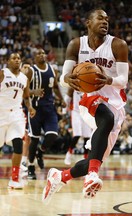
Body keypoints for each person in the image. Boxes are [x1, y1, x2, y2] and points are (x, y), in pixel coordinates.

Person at [42, 8, 128, 204]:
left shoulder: (118, 45)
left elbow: (123, 80)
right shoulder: (75, 45)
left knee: (94, 160)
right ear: (88, 23)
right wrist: (68, 79)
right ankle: (91, 177)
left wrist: (108, 80)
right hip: (88, 99)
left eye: (107, 19)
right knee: (106, 118)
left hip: (115, 103)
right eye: (100, 18)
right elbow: (64, 78)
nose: (105, 21)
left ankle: (59, 177)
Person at [26, 48, 66, 179]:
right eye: (39, 53)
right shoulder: (31, 71)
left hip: (49, 109)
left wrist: (61, 99)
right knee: (34, 139)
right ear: (34, 57)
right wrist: (33, 92)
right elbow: (23, 90)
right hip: (35, 110)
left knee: (52, 135)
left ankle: (40, 151)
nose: (42, 55)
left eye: (43, 53)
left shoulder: (52, 69)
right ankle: (31, 166)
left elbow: (55, 87)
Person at [0, 53, 36, 189]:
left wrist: (30, 107)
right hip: (1, 113)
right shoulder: (3, 73)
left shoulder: (24, 78)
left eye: (18, 58)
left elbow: (26, 97)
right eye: (13, 58)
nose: (17, 60)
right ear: (8, 61)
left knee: (18, 144)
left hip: (16, 114)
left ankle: (14, 178)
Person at [63, 87, 93, 165]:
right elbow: (68, 96)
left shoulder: (88, 84)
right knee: (77, 135)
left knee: (87, 136)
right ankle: (68, 154)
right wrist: (64, 110)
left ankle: (85, 158)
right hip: (76, 112)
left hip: (86, 112)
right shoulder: (74, 84)